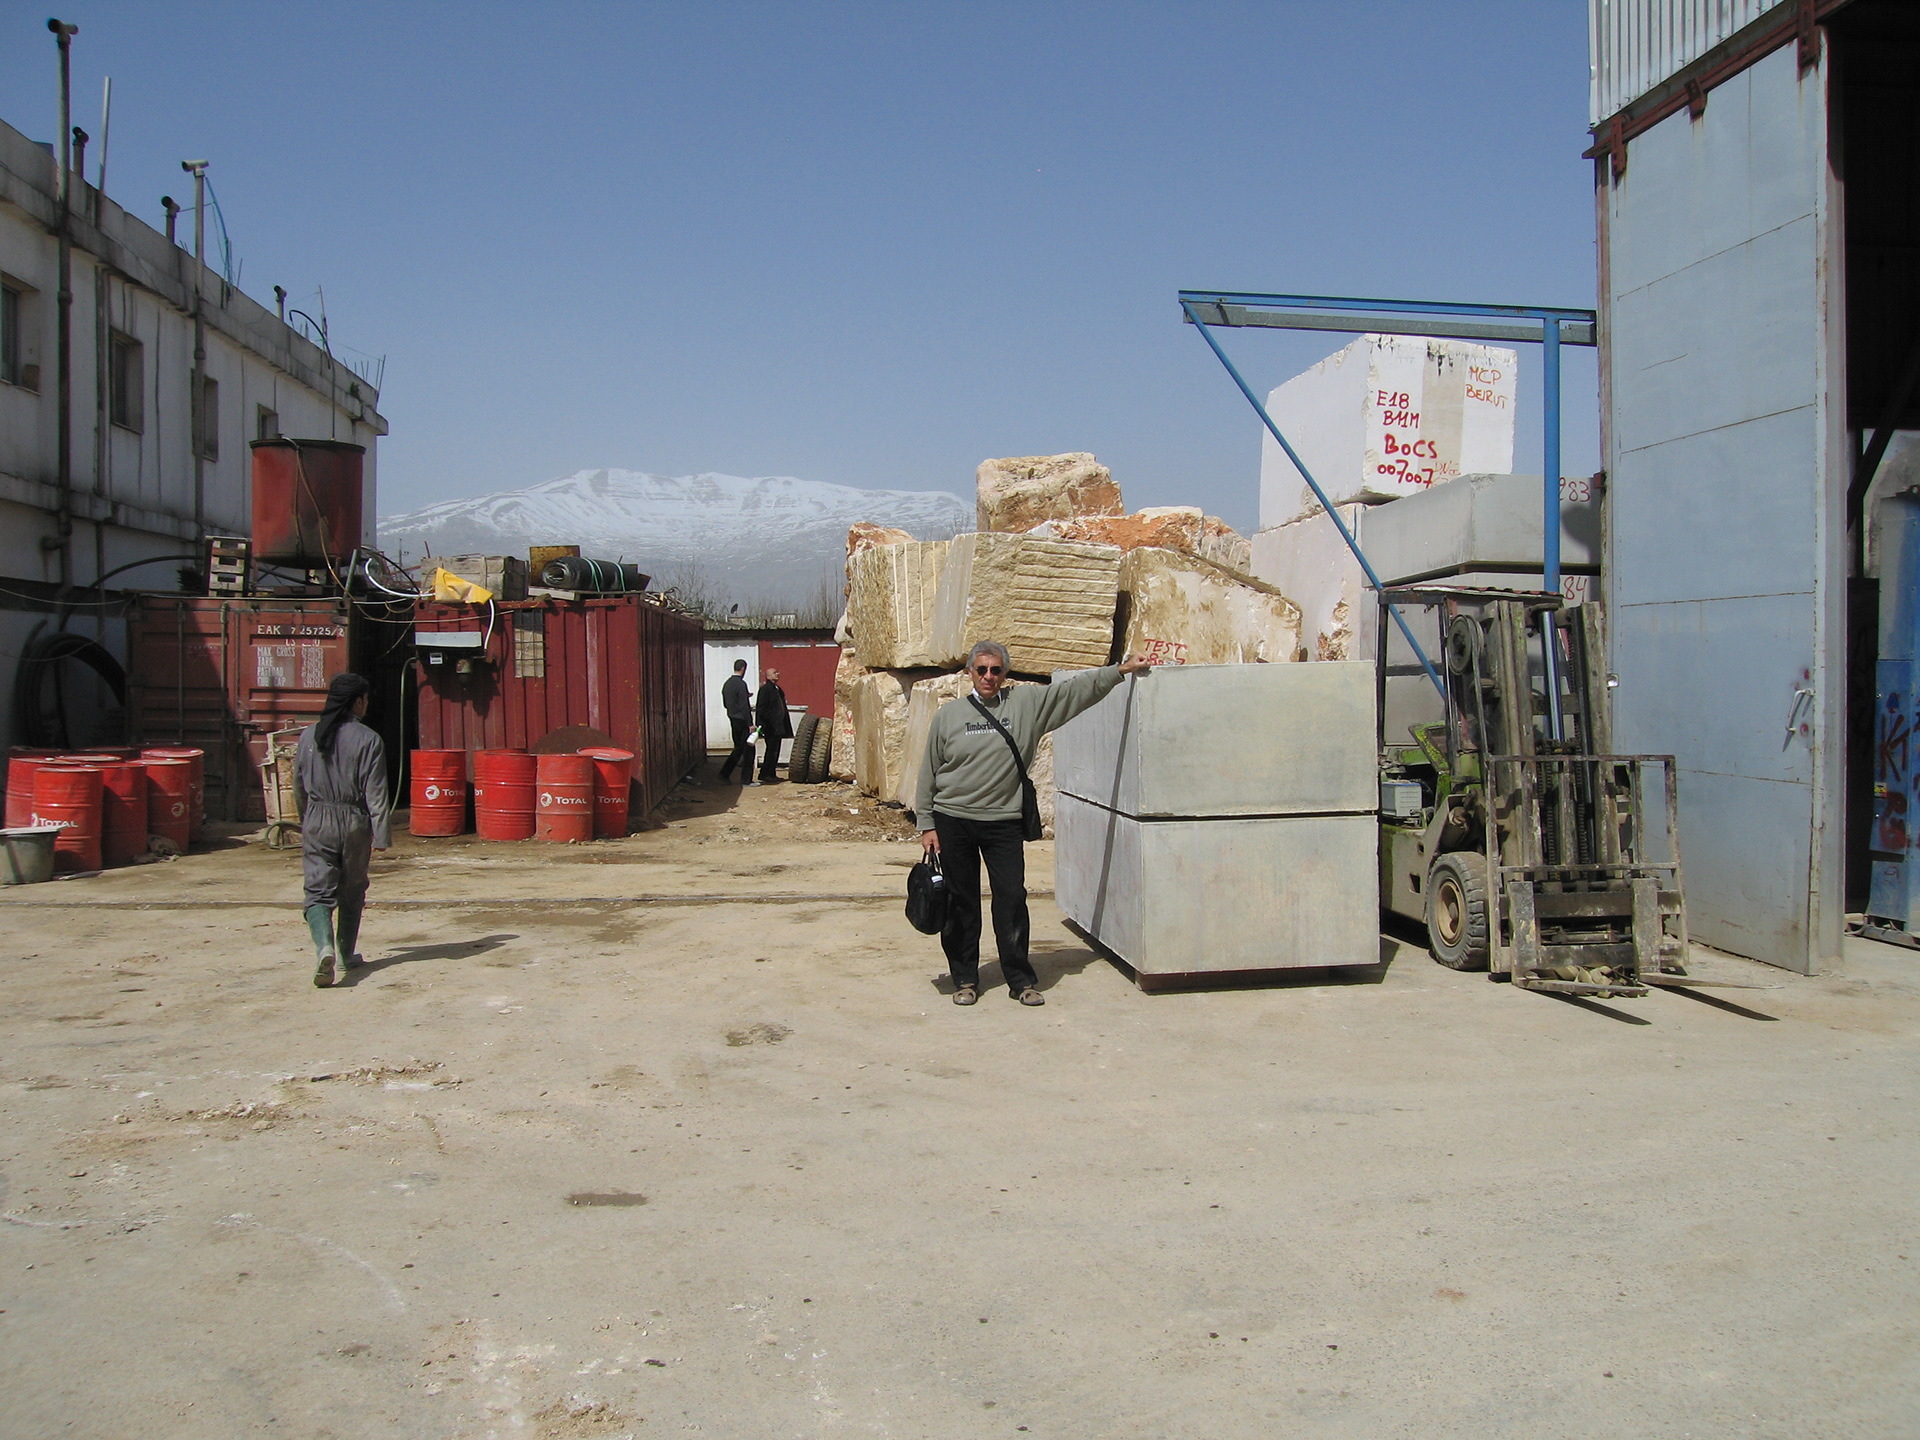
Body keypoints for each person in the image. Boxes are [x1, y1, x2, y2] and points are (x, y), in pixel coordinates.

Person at [917, 640, 1153, 1006]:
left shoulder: (1025, 704)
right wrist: (926, 823)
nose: (989, 677)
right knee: (961, 902)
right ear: (969, 673)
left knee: (1011, 899)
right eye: (981, 670)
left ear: (1005, 674)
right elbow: (929, 771)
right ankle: (965, 978)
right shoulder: (948, 716)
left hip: (1003, 822)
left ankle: (1020, 979)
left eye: (996, 670)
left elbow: (1074, 692)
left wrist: (1119, 671)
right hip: (954, 821)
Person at [294, 672, 391, 988]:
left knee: (317, 890)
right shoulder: (369, 739)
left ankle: (323, 948)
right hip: (353, 822)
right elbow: (375, 793)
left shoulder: (308, 736)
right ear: (358, 701)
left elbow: (298, 785)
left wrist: (305, 820)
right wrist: (381, 834)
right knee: (352, 889)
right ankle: (346, 954)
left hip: (317, 819)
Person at [718, 658, 758, 784]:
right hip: (742, 719)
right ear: (743, 669)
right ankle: (746, 780)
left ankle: (724, 773)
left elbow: (726, 702)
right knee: (748, 749)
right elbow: (744, 705)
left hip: (732, 717)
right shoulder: (741, 684)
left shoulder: (727, 684)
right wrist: (750, 723)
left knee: (739, 748)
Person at [755, 668, 792, 784]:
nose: (778, 674)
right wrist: (763, 724)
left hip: (778, 726)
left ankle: (771, 773)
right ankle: (765, 773)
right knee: (771, 751)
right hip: (770, 727)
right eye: (775, 673)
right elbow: (761, 709)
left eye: (777, 672)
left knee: (775, 750)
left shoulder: (777, 689)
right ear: (768, 676)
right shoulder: (765, 690)